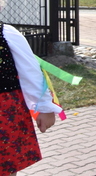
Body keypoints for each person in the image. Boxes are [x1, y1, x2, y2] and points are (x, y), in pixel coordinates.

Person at [0, 21, 60, 175]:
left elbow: (30, 71)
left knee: (6, 164)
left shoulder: (7, 33)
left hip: (5, 112)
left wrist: (45, 107)